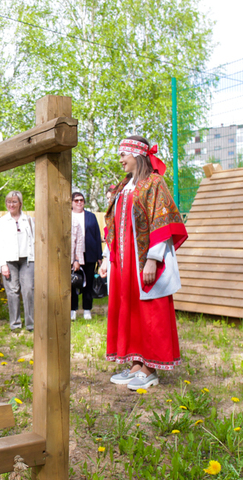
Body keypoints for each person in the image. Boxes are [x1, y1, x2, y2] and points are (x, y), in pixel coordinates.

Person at [99, 136, 187, 391]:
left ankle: (150, 368)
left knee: (150, 311)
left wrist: (152, 260)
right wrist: (107, 258)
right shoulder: (123, 186)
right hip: (124, 264)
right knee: (130, 310)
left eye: (123, 154)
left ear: (137, 155)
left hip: (144, 261)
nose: (120, 159)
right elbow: (113, 227)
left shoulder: (154, 183)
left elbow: (161, 222)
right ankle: (135, 363)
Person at [0, 191, 34, 332]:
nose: (11, 204)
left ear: (20, 203)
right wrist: (2, 264)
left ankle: (31, 324)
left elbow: (34, 241)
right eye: (9, 202)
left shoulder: (28, 220)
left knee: (28, 290)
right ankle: (15, 324)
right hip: (9, 261)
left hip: (27, 260)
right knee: (12, 291)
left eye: (14, 202)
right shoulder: (2, 221)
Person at [70, 191, 103, 320]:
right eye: (76, 200)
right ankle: (72, 310)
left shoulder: (91, 216)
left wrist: (99, 256)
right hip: (72, 255)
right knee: (73, 282)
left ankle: (87, 310)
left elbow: (96, 235)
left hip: (89, 253)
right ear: (72, 203)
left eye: (81, 200)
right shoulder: (68, 216)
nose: (79, 202)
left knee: (87, 283)